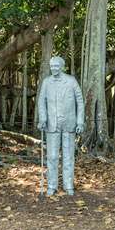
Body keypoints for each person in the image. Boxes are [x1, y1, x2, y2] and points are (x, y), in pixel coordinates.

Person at [37, 56, 84, 196]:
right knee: (51, 156)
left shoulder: (71, 81)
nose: (54, 69)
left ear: (62, 66)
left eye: (57, 66)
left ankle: (68, 185)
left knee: (68, 155)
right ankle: (52, 185)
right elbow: (41, 102)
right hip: (52, 125)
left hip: (69, 123)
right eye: (52, 66)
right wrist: (43, 119)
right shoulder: (46, 82)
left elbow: (80, 101)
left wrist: (80, 121)